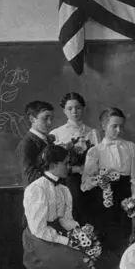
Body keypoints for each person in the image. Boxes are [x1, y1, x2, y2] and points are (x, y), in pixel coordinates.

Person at [22, 145, 111, 269]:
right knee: (79, 262)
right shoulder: (36, 189)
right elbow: (39, 229)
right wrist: (68, 241)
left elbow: (66, 219)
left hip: (56, 233)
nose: (69, 167)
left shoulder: (63, 189)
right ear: (53, 164)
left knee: (90, 257)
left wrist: (80, 232)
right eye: (65, 163)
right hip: (38, 241)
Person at [81, 107, 135, 254]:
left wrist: (134, 199)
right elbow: (85, 184)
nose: (118, 130)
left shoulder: (130, 147)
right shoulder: (95, 151)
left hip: (125, 196)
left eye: (121, 126)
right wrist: (98, 181)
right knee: (107, 238)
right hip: (104, 198)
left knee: (126, 237)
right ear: (104, 126)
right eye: (114, 126)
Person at [50, 92, 101, 222]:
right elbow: (53, 165)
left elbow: (101, 158)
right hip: (68, 181)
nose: (74, 112)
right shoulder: (56, 134)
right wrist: (76, 169)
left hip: (91, 180)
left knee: (92, 214)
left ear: (83, 109)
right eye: (70, 108)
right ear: (64, 111)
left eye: (78, 108)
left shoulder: (93, 133)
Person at [16, 100, 54, 187]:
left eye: (51, 119)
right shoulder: (26, 144)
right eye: (45, 118)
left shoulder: (48, 141)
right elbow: (30, 178)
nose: (50, 123)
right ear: (32, 119)